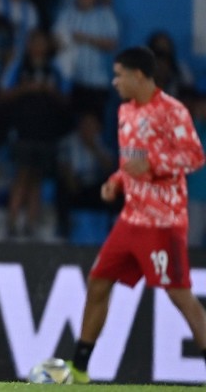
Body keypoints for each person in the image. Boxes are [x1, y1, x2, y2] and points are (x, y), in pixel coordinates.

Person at [68, 47, 206, 383]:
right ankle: (79, 370)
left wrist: (153, 165)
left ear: (139, 75)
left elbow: (194, 156)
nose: (114, 82)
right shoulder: (126, 112)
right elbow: (131, 161)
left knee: (180, 296)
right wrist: (116, 181)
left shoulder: (172, 111)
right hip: (131, 219)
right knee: (98, 282)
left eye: (119, 75)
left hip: (163, 222)